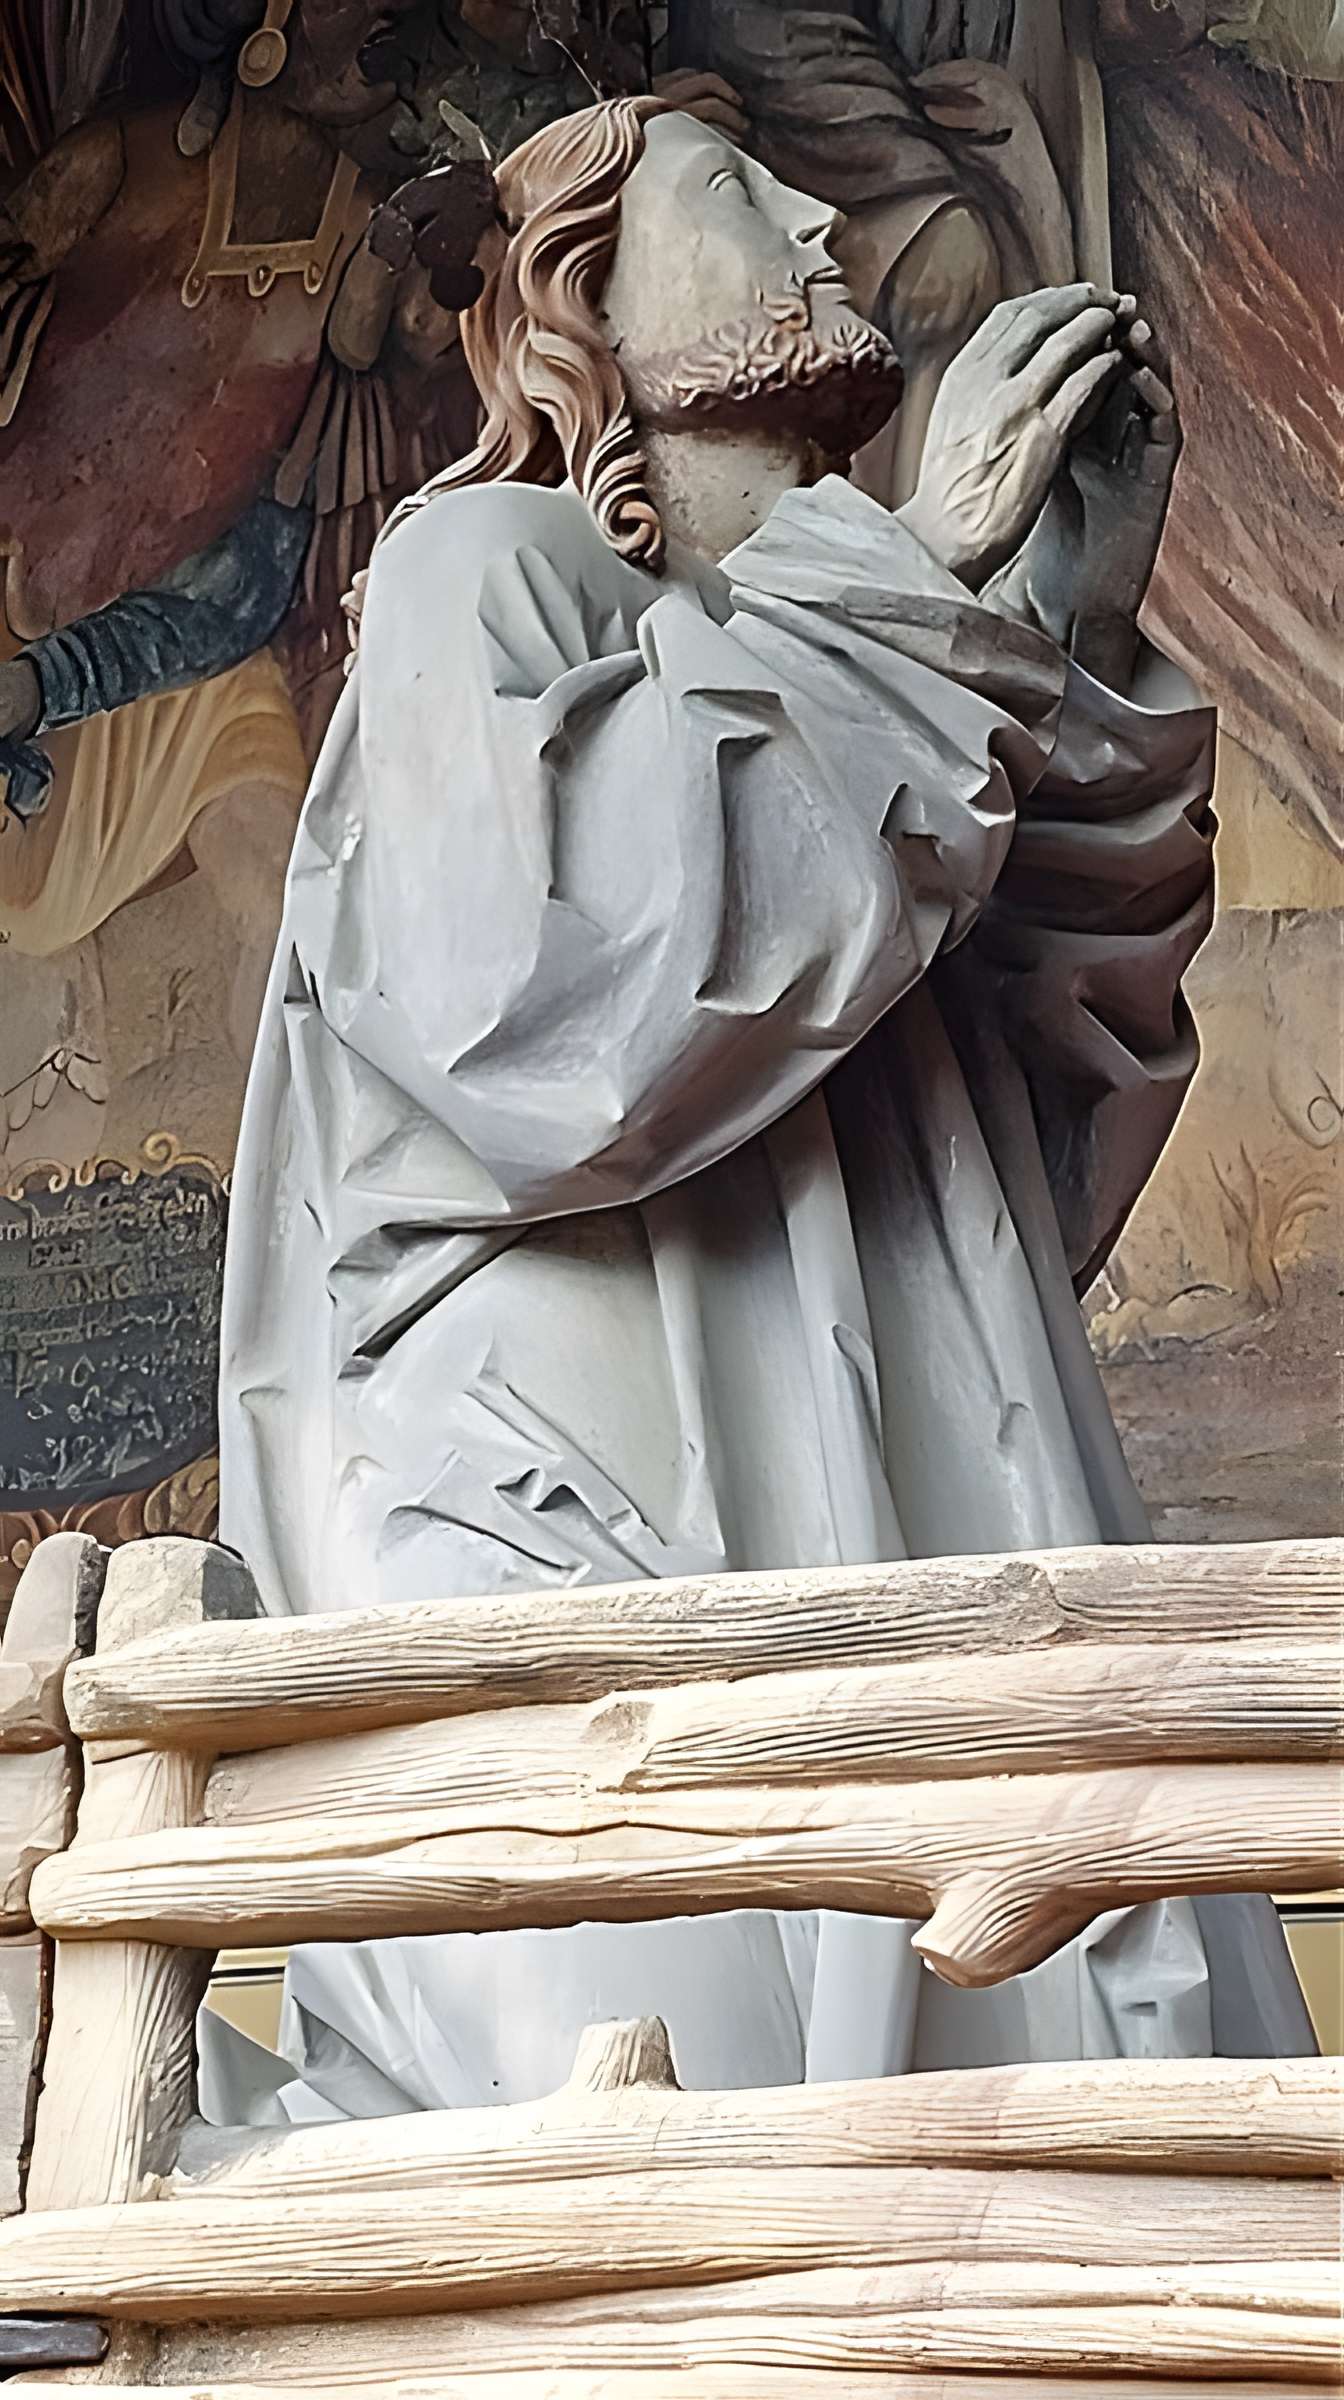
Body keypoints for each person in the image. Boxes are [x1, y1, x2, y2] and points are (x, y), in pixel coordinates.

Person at [218, 96, 1313, 2113]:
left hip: (897, 1496)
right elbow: (543, 1009)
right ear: (583, 305)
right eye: (738, 189)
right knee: (678, 2145)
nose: (821, 216)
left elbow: (1019, 1145)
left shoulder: (863, 644)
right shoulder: (489, 564)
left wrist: (1063, 624)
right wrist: (913, 578)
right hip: (602, 1535)